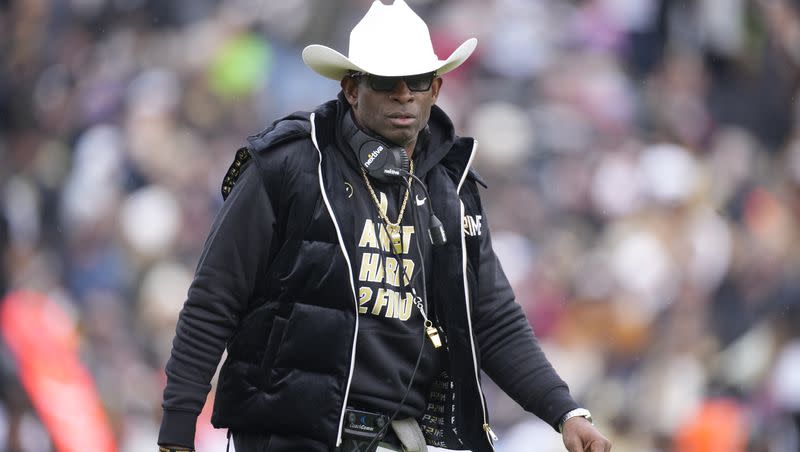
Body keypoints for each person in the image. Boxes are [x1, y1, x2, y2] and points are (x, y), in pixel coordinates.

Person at [157, 1, 612, 451]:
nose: (403, 94)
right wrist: (178, 427)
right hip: (289, 433)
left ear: (435, 89)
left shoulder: (449, 189)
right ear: (351, 89)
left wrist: (564, 412)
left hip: (396, 436)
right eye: (385, 81)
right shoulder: (289, 165)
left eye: (416, 81)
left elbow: (491, 317)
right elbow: (215, 298)